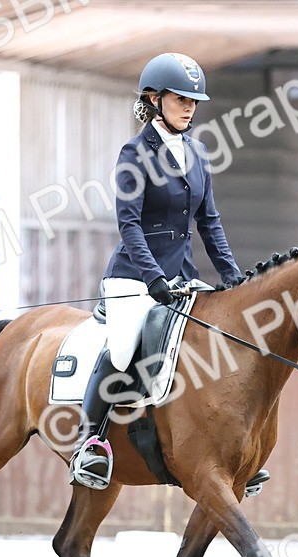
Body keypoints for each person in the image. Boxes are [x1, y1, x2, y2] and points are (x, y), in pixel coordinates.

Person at [69, 52, 244, 490]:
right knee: (125, 349)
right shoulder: (134, 153)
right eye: (180, 98)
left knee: (217, 339)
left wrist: (233, 276)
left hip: (181, 276)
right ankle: (88, 444)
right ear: (154, 98)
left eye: (194, 100)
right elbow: (128, 224)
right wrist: (152, 278)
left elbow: (209, 221)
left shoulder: (198, 152)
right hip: (134, 275)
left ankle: (230, 445)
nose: (189, 107)